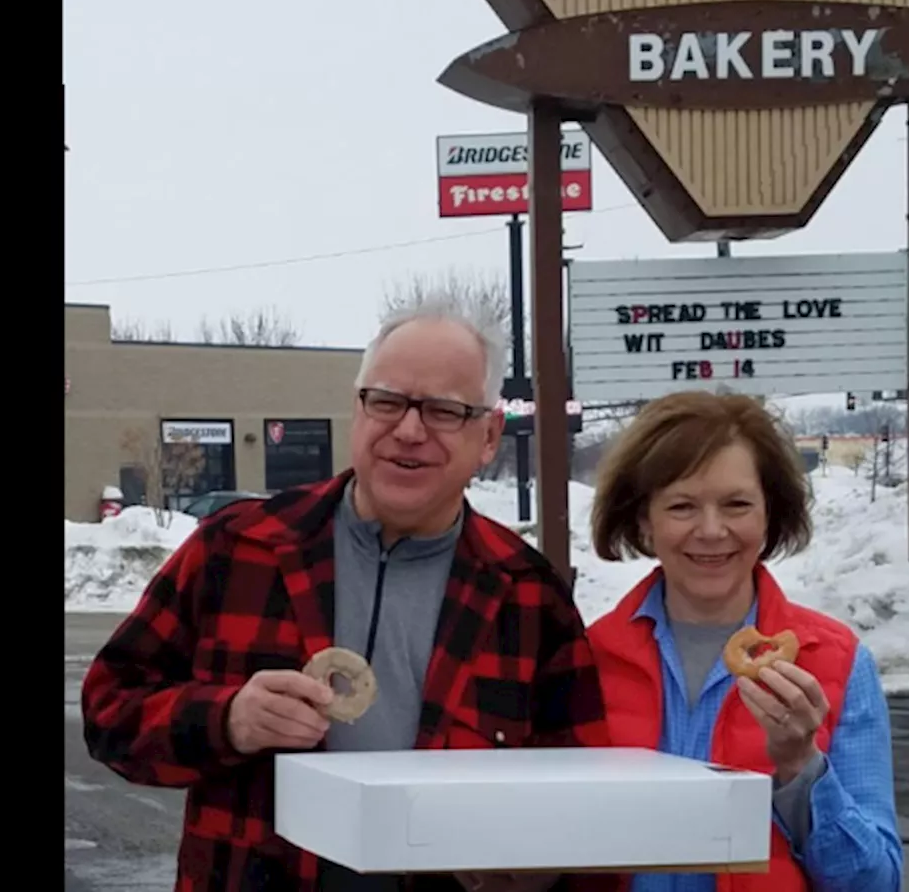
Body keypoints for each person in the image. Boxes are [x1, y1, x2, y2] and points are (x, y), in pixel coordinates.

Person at [81, 290, 612, 892]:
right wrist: (227, 719)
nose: (408, 431)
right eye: (386, 401)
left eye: (442, 410)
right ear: (357, 411)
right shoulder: (238, 549)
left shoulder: (527, 596)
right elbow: (108, 714)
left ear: (488, 436)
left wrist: (527, 867)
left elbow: (583, 807)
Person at [585, 392, 902, 892]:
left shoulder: (836, 664)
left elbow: (874, 882)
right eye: (682, 506)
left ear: (769, 515)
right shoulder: (587, 661)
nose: (711, 531)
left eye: (736, 504)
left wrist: (801, 766)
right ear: (644, 519)